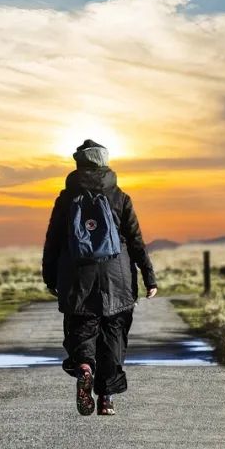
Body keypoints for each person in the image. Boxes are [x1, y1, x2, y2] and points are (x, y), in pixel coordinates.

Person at [42, 139, 157, 416]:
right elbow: (136, 241)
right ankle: (106, 398)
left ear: (78, 164)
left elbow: (53, 241)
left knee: (82, 329)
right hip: (117, 278)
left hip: (77, 276)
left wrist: (50, 277)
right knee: (113, 336)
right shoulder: (120, 197)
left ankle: (84, 366)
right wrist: (149, 277)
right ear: (105, 163)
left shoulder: (66, 198)